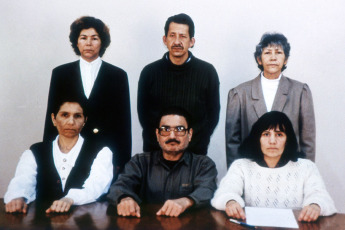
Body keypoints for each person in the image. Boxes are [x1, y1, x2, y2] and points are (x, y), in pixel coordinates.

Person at [43, 16, 131, 177]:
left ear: (102, 42)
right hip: (70, 150)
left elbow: (124, 123)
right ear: (76, 42)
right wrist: (48, 157)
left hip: (105, 152)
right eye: (83, 38)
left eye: (94, 38)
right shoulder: (61, 73)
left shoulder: (118, 75)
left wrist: (121, 162)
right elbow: (52, 118)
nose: (88, 43)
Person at [212, 111, 336, 222]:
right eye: (266, 134)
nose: (272, 141)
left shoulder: (306, 167)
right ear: (257, 138)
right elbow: (223, 194)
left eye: (279, 134)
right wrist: (231, 201)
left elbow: (323, 198)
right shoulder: (241, 166)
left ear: (287, 140)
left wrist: (315, 205)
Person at [5, 95, 113, 213]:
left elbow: (96, 187)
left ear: (84, 121)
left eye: (77, 116)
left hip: (84, 221)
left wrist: (70, 199)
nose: (71, 122)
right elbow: (23, 181)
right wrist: (18, 198)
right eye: (65, 115)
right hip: (42, 221)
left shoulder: (101, 151)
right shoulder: (35, 151)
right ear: (53, 119)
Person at [107, 107, 218, 217]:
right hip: (147, 224)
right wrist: (125, 198)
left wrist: (186, 201)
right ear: (157, 134)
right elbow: (119, 186)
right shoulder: (140, 162)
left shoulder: (203, 165)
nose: (172, 136)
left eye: (179, 129)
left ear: (189, 134)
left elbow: (207, 190)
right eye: (165, 129)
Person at [226, 33, 315, 167]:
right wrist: (237, 176)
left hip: (290, 170)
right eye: (267, 53)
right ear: (259, 59)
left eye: (278, 52)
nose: (273, 57)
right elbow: (232, 143)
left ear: (285, 59)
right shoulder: (239, 94)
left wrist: (306, 175)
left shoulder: (300, 91)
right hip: (251, 170)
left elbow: (308, 142)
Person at [137, 13, 220, 155]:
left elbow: (212, 116)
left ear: (192, 41)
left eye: (182, 36)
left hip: (194, 155)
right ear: (165, 39)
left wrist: (191, 143)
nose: (177, 42)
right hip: (155, 154)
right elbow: (144, 116)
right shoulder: (149, 72)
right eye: (172, 35)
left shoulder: (207, 72)